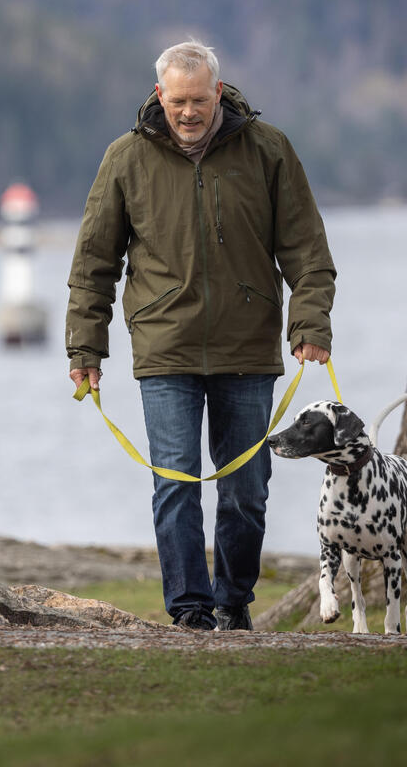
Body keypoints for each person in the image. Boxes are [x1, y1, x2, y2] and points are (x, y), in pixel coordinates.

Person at [65, 40, 335, 631]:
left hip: (248, 350)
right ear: (160, 95)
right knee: (176, 485)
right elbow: (93, 265)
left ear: (219, 91)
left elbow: (307, 250)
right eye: (177, 100)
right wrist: (85, 349)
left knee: (246, 492)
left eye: (199, 99)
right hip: (164, 351)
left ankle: (233, 603)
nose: (188, 112)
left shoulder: (269, 151)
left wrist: (310, 323)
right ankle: (189, 613)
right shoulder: (125, 158)